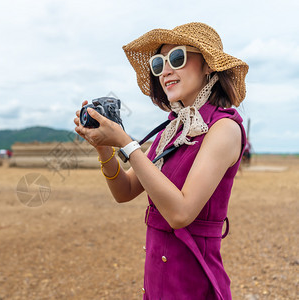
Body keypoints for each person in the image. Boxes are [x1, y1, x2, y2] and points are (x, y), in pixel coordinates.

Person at [74, 22, 248, 299]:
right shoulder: (172, 130)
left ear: (207, 65)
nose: (166, 70)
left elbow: (180, 213)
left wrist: (126, 143)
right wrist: (105, 148)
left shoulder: (224, 129)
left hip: (193, 282)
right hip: (158, 279)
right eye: (158, 63)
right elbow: (125, 191)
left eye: (177, 57)